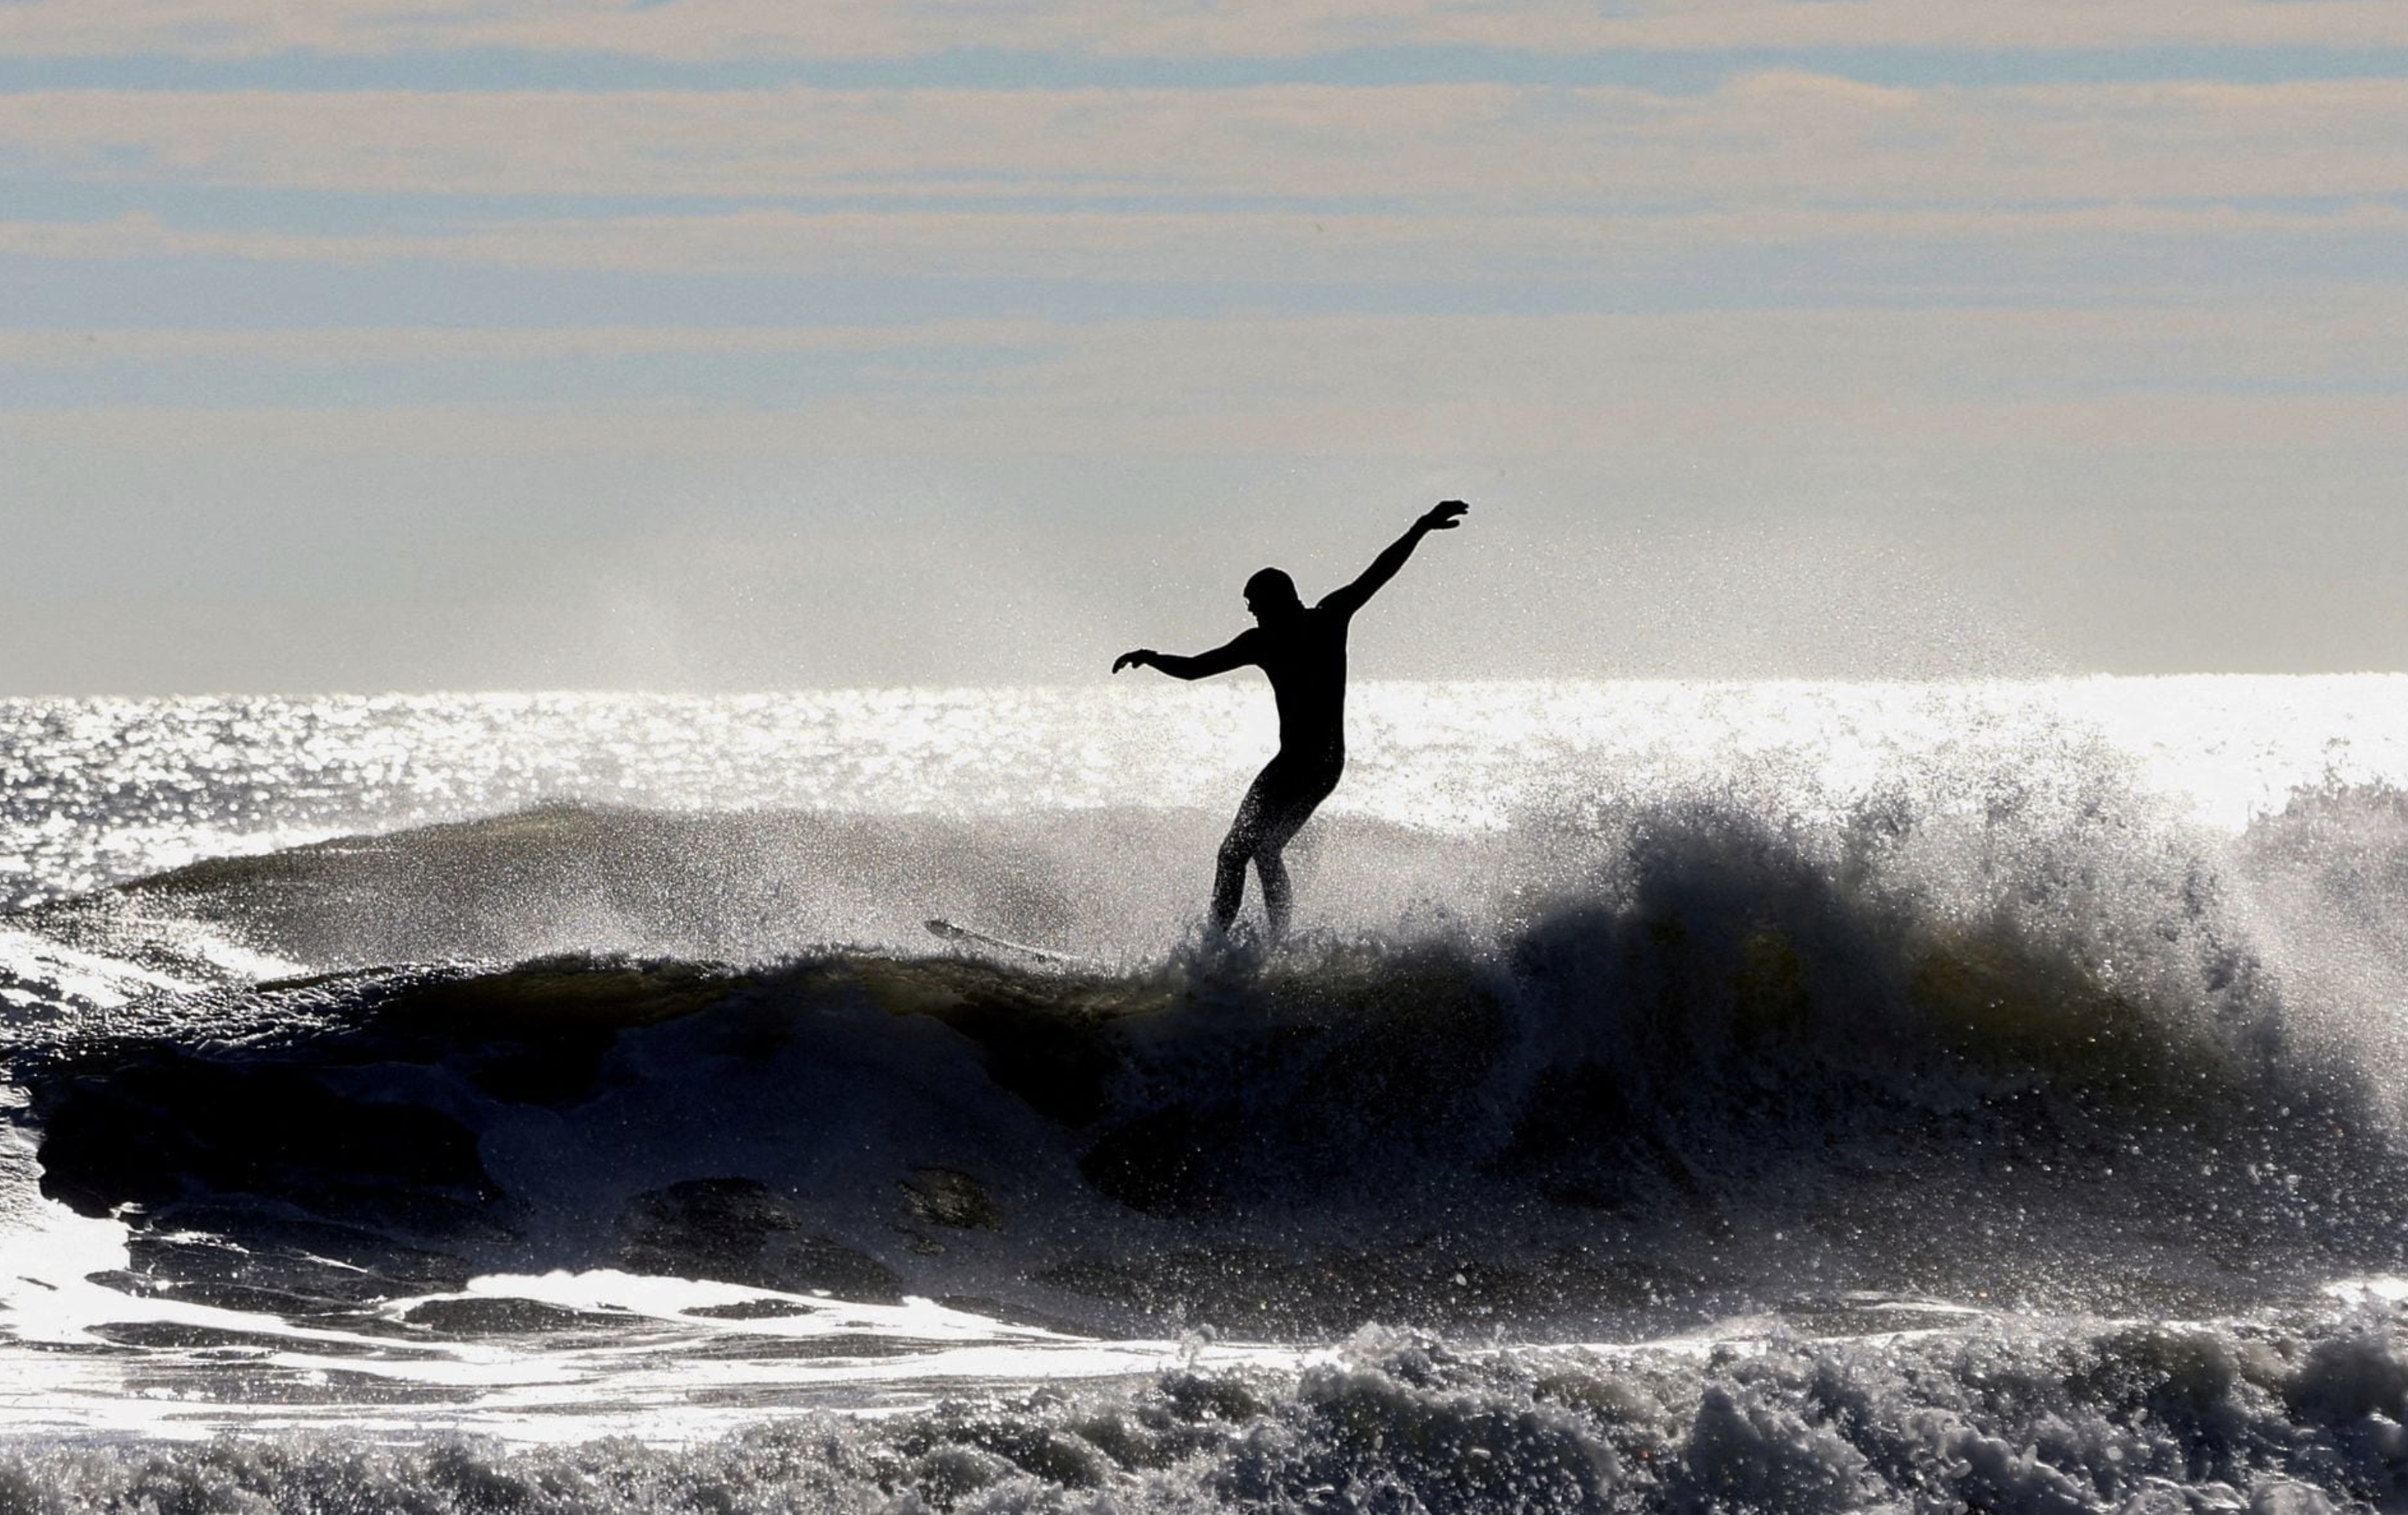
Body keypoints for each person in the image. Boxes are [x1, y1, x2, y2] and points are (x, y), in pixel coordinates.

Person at [1114, 500, 1470, 940]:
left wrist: (1420, 528)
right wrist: (1152, 658)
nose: (1250, 611)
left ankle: (1240, 945)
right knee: (1251, 851)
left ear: (1276, 598)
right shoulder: (1272, 637)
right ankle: (1252, 943)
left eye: (1254, 602)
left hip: (1313, 764)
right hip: (1308, 763)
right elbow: (1193, 668)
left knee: (1245, 851)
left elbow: (1379, 572)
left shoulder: (1324, 620)